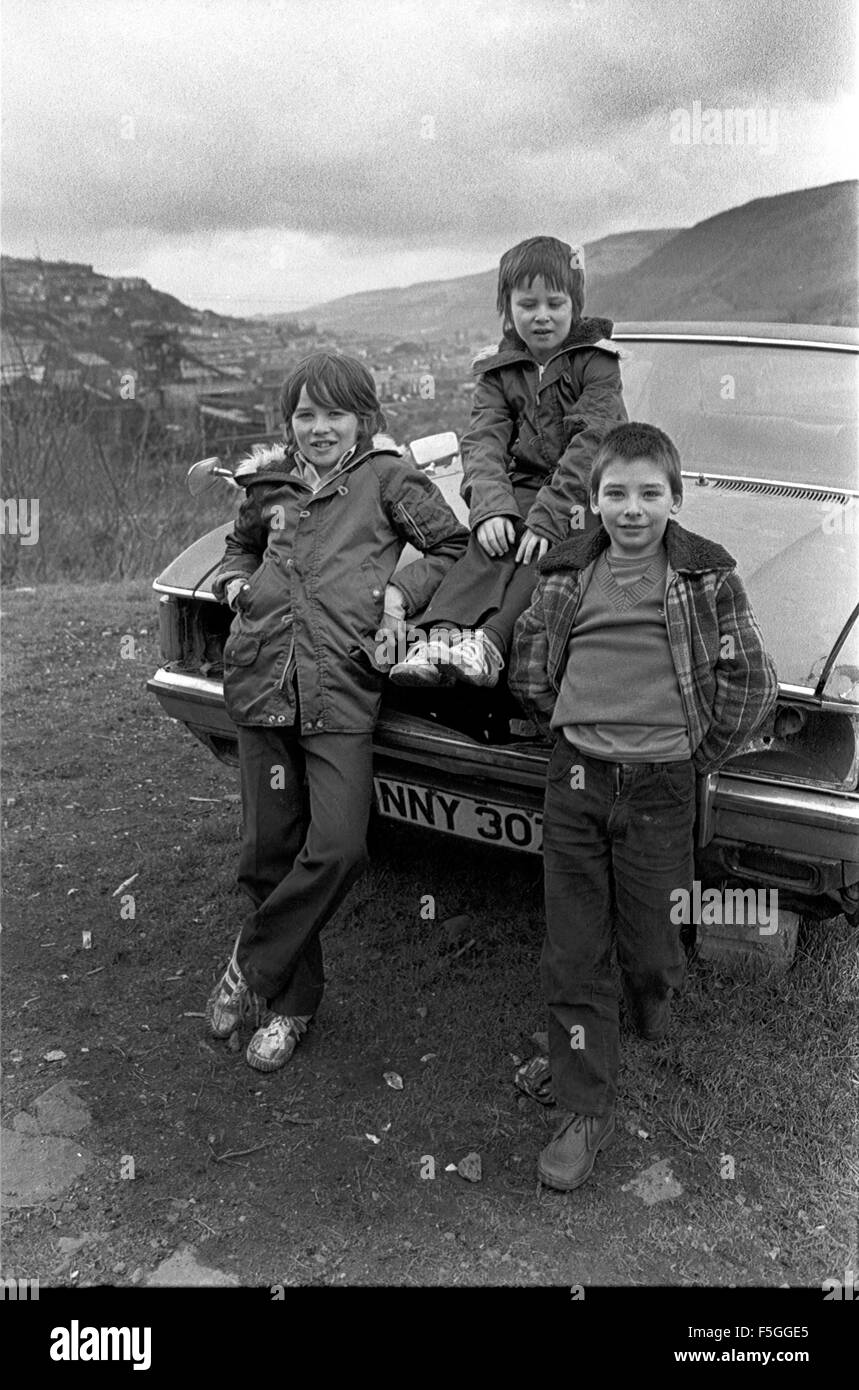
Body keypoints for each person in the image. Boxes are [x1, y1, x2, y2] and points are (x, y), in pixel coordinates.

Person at [508, 421, 778, 1190]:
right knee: (573, 942)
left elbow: (752, 683)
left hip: (661, 785)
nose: (631, 509)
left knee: (653, 944)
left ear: (675, 498)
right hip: (577, 779)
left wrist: (693, 756)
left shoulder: (706, 577)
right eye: (615, 493)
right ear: (592, 501)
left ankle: (642, 1011)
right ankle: (581, 1102)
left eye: (648, 493)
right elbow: (531, 667)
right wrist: (570, 731)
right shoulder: (565, 575)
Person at [205, 352, 468, 1072]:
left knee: (341, 845)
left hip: (341, 687)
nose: (319, 428)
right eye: (305, 414)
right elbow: (237, 549)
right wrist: (236, 588)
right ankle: (292, 1009)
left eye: (334, 413)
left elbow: (453, 545)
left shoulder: (388, 480)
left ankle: (249, 963)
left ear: (364, 419)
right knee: (267, 856)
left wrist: (398, 596)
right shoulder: (268, 486)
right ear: (289, 422)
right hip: (262, 685)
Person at [389, 235, 627, 689]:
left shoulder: (597, 363)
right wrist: (491, 508)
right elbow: (483, 442)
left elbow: (592, 442)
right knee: (490, 542)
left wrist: (549, 517)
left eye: (555, 303)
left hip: (588, 493)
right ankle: (436, 639)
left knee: (544, 552)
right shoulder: (499, 370)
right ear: (508, 307)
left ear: (575, 305)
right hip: (520, 487)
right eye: (527, 303)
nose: (541, 316)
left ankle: (489, 644)